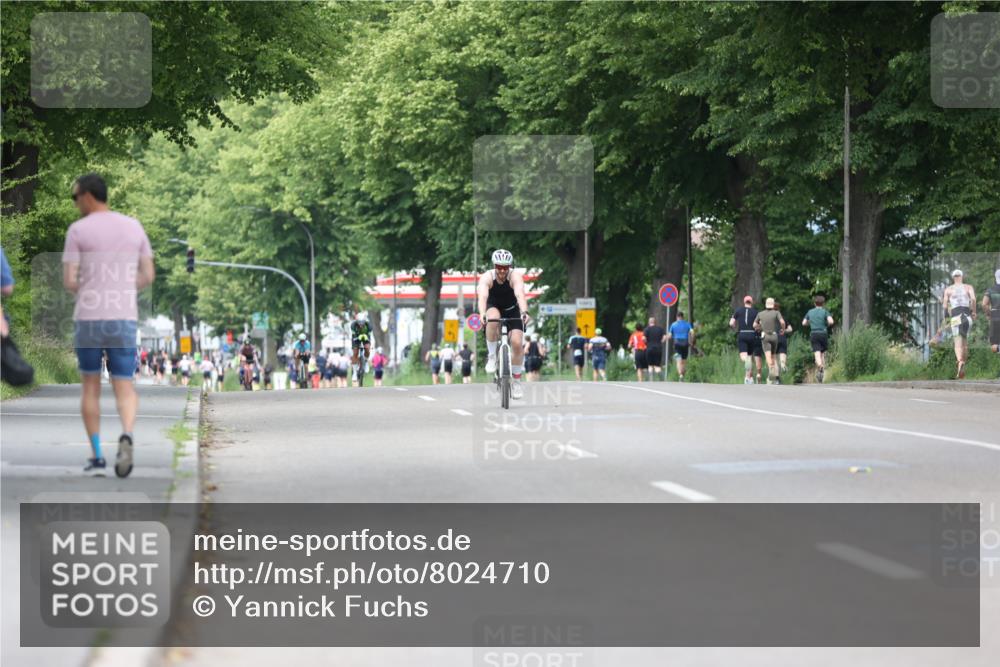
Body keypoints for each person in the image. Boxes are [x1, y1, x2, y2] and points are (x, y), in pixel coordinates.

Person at [62, 173, 154, 477]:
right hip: (123, 317)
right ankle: (126, 434)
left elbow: (69, 281)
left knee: (90, 386)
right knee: (124, 386)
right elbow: (148, 275)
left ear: (88, 195)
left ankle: (98, 456)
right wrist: (126, 289)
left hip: (89, 319)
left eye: (75, 197)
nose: (75, 203)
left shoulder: (78, 230)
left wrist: (89, 289)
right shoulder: (133, 227)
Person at [478, 249, 530, 399]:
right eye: (499, 267)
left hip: (512, 309)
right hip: (493, 307)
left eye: (505, 267)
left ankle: (517, 381)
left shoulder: (515, 276)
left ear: (509, 267)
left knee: (516, 342)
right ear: (494, 266)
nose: (501, 271)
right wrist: (482, 314)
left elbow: (520, 294)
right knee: (493, 317)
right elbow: (482, 297)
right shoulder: (487, 277)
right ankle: (492, 355)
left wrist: (524, 312)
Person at [942, 269, 977, 379]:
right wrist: (974, 312)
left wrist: (947, 319)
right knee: (965, 342)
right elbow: (973, 299)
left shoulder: (948, 289)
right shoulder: (968, 287)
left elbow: (944, 306)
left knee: (957, 342)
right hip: (967, 316)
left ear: (953, 277)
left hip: (956, 317)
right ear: (962, 277)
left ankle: (960, 362)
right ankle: (963, 365)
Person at [730, 295, 764, 384]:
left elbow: (731, 323)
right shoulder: (756, 312)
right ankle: (748, 377)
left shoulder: (738, 310)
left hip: (742, 334)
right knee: (749, 356)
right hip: (752, 335)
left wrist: (734, 328)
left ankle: (748, 376)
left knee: (745, 358)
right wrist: (759, 329)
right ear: (751, 302)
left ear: (744, 302)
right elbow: (759, 325)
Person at [753, 298, 786, 384]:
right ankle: (774, 374)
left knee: (768, 356)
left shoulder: (760, 314)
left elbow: (754, 325)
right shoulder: (776, 313)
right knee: (773, 356)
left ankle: (771, 368)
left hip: (765, 336)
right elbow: (782, 322)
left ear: (766, 305)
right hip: (774, 336)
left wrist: (759, 327)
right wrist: (783, 329)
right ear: (773, 304)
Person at [803, 294, 835, 383]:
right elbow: (831, 321)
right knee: (823, 353)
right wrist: (826, 324)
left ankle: (820, 366)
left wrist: (810, 323)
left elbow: (803, 323)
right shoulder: (825, 312)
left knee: (817, 352)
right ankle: (822, 373)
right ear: (823, 304)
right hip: (823, 333)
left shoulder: (810, 312)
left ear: (814, 303)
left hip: (814, 333)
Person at [667, 312, 694, 381]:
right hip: (685, 343)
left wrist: (666, 338)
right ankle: (682, 375)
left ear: (677, 317)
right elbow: (692, 332)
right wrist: (692, 341)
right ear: (683, 317)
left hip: (677, 344)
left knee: (678, 361)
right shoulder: (687, 324)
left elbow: (670, 335)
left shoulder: (673, 324)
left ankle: (680, 375)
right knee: (684, 361)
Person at [350, 312, 373, 386]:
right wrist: (357, 338)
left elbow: (369, 337)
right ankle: (354, 372)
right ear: (357, 321)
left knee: (367, 348)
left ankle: (365, 362)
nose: (361, 325)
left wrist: (367, 342)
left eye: (362, 323)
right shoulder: (353, 325)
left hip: (365, 337)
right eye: (359, 323)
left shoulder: (369, 326)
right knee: (355, 352)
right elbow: (354, 336)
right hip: (356, 337)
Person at [773, 300, 793, 377]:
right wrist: (784, 330)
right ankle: (783, 365)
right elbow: (790, 329)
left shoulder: (769, 317)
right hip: (782, 338)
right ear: (779, 309)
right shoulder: (783, 317)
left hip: (773, 339)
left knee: (774, 359)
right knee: (782, 356)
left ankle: (777, 377)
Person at [983, 269, 1000, 355]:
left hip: (995, 317)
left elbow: (984, 304)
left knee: (994, 345)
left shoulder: (990, 290)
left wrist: (988, 314)